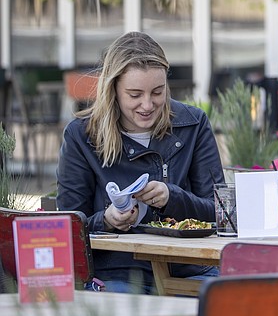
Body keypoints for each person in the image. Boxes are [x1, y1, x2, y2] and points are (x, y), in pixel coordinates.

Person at [57, 31, 226, 293]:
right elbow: (67, 228)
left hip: (188, 269)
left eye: (158, 92)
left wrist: (173, 197)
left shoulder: (193, 123)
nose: (147, 105)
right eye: (135, 94)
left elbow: (220, 213)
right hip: (116, 273)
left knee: (229, 305)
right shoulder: (81, 135)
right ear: (112, 89)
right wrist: (108, 220)